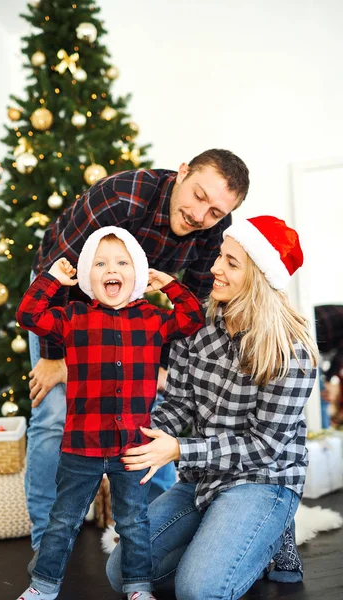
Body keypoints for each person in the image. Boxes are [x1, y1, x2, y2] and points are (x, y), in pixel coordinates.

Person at [25, 148, 250, 563]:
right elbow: (56, 266)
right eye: (199, 196)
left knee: (151, 419)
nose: (202, 216)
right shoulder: (124, 196)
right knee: (54, 415)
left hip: (135, 322)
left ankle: (147, 536)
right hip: (67, 307)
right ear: (182, 172)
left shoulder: (212, 230)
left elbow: (197, 302)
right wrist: (58, 358)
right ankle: (46, 542)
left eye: (216, 212)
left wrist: (165, 367)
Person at [107, 216, 319, 600]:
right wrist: (135, 438)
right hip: (202, 478)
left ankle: (268, 536)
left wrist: (179, 449)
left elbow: (264, 447)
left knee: (198, 590)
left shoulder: (292, 353)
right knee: (121, 571)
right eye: (221, 255)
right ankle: (226, 534)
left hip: (263, 480)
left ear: (259, 277)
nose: (215, 268)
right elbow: (178, 404)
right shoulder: (197, 327)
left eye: (231, 263)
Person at [16, 227, 205, 600]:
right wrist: (51, 280)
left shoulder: (152, 319)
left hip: (133, 449)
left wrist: (170, 286)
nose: (110, 269)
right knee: (63, 521)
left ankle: (137, 586)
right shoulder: (73, 317)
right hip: (81, 448)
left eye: (121, 262)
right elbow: (29, 315)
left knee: (135, 521)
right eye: (99, 263)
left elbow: (192, 318)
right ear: (87, 276)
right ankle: (43, 585)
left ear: (137, 275)